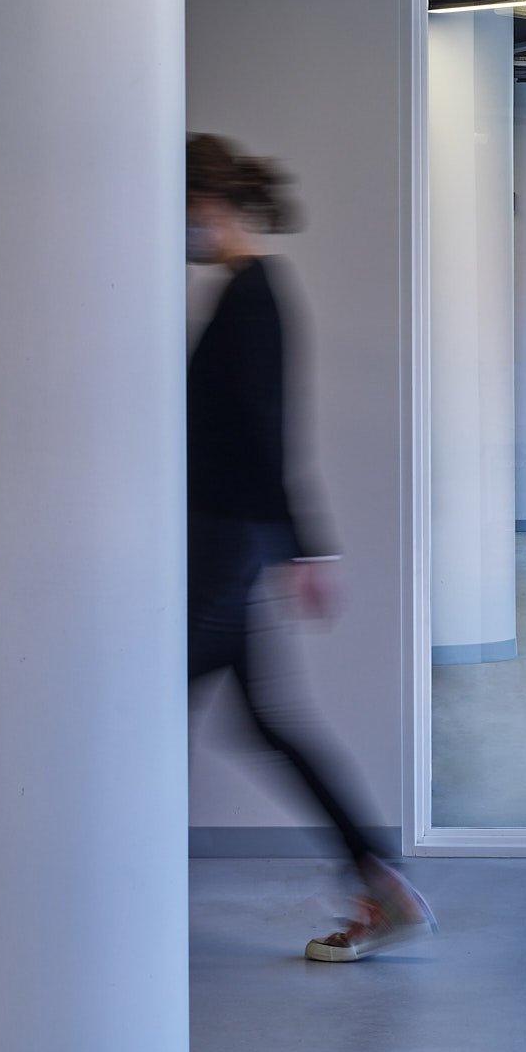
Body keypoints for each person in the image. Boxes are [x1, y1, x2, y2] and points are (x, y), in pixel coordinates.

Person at [188, 134, 437, 964]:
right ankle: (381, 883)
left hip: (227, 543)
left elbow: (264, 433)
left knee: (147, 715)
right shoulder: (242, 290)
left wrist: (305, 549)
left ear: (209, 207)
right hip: (234, 539)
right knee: (266, 720)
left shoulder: (251, 294)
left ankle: (381, 883)